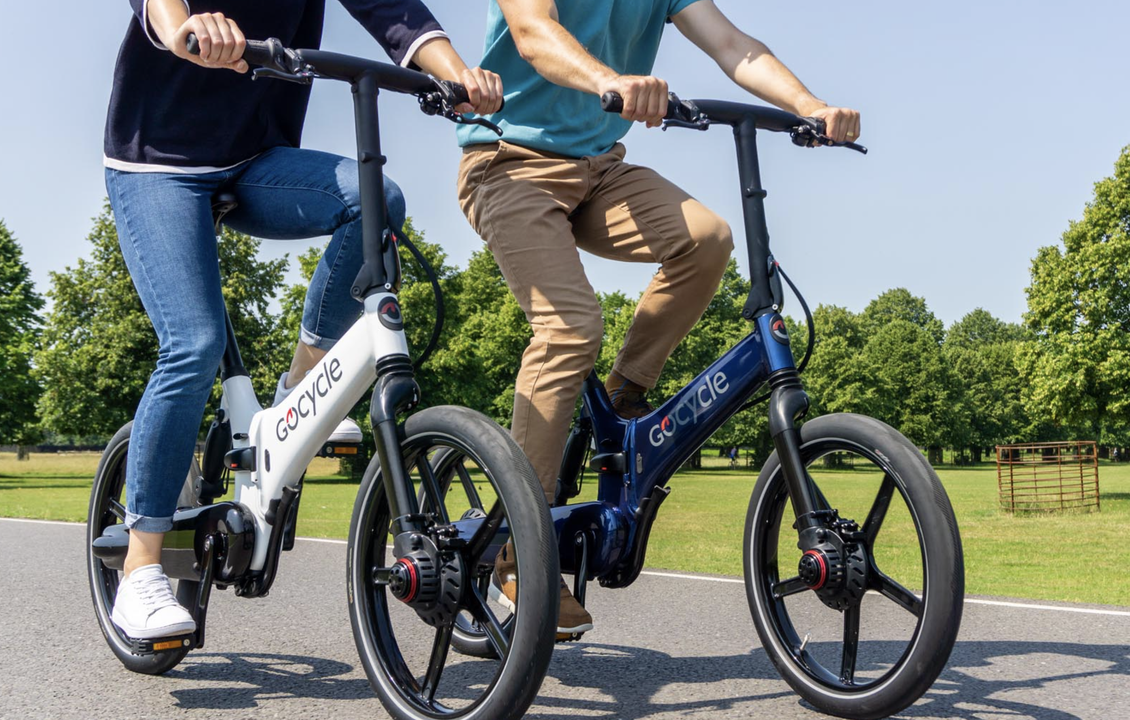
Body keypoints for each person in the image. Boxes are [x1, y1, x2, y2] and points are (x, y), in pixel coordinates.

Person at [455, 0, 860, 639]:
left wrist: (809, 105)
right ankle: (518, 555)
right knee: (570, 327)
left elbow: (734, 45)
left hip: (599, 169)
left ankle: (621, 401)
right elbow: (535, 33)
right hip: (508, 164)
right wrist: (607, 81)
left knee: (707, 237)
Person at [105, 0, 501, 640]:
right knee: (195, 344)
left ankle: (299, 388)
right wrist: (186, 31)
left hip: (255, 158)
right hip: (159, 164)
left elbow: (390, 8)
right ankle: (142, 569)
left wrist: (456, 73)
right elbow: (160, 9)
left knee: (374, 201)